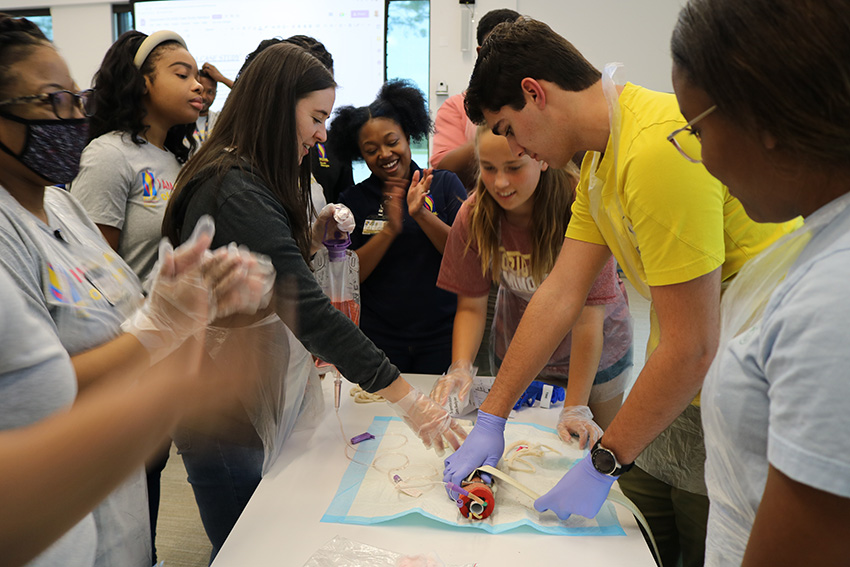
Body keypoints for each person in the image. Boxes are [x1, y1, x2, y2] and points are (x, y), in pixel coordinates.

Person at [444, 18, 799, 567]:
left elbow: (694, 345)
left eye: (508, 128)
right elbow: (561, 294)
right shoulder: (597, 164)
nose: (515, 147)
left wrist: (604, 461)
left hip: (749, 389)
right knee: (643, 538)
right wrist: (493, 415)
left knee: (704, 547)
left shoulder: (654, 150)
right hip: (672, 391)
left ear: (534, 94)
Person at [162, 43, 465, 559]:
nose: (323, 134)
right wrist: (411, 403)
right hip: (221, 407)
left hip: (247, 387)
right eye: (317, 118)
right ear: (280, 108)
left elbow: (262, 264)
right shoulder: (233, 187)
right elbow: (309, 310)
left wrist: (306, 237)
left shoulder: (248, 175)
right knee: (249, 547)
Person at [0, 15, 272, 567]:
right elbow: (39, 389)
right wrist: (164, 342)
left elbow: (128, 315)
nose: (73, 117)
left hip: (113, 508)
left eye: (76, 99)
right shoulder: (19, 226)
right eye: (52, 100)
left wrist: (188, 307)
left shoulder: (61, 206)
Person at [669, 0, 850, 564]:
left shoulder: (834, 297)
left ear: (761, 116)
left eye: (697, 129)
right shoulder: (814, 242)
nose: (700, 158)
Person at [67, 29, 205, 564]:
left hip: (165, 352)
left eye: (198, 75)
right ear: (142, 81)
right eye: (182, 73)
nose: (198, 85)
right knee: (122, 485)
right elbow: (89, 270)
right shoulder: (109, 156)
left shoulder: (176, 158)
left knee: (148, 477)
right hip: (124, 352)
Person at [433, 126, 632, 447]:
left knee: (591, 451)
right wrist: (461, 365)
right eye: (488, 168)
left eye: (513, 168)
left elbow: (588, 319)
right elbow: (471, 305)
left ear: (540, 158)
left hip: (596, 354)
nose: (499, 182)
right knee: (521, 448)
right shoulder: (474, 215)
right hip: (523, 348)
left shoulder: (577, 205)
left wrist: (576, 407)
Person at [330, 80, 467, 374]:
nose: (384, 154)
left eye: (392, 142)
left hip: (443, 337)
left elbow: (466, 257)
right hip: (378, 340)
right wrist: (389, 230)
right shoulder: (353, 200)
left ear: (408, 135)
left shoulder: (443, 185)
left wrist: (419, 215)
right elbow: (350, 277)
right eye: (371, 150)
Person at [430, 8, 520, 190]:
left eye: (516, 49)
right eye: (497, 49)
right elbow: (443, 171)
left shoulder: (538, 98)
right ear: (480, 53)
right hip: (476, 206)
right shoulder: (456, 106)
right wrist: (494, 130)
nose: (507, 58)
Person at [194, 67, 219, 146]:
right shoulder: (180, 121)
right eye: (200, 90)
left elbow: (249, 98)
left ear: (215, 94)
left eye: (210, 92)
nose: (204, 96)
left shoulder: (219, 120)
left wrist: (222, 78)